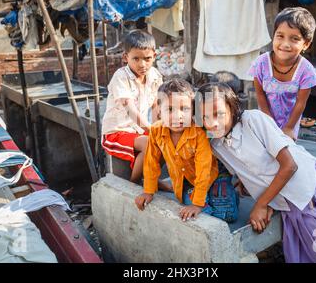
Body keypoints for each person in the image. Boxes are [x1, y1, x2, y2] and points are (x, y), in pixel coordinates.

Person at [196, 82, 316, 263]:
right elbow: (247, 169)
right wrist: (251, 187)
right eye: (204, 117)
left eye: (217, 113)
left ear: (232, 108)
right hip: (293, 206)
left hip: (313, 184)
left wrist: (262, 203)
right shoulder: (217, 145)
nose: (212, 122)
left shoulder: (253, 120)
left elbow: (289, 165)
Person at [135, 79, 238, 222]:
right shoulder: (156, 131)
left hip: (212, 176)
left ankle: (228, 191)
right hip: (186, 182)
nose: (178, 116)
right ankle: (211, 199)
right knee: (202, 213)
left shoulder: (198, 133)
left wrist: (197, 204)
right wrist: (148, 191)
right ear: (159, 111)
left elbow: (204, 168)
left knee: (228, 215)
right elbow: (151, 163)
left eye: (184, 109)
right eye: (170, 109)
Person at [101, 30, 164, 186]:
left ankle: (153, 179)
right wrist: (150, 129)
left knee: (166, 142)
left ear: (154, 57)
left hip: (137, 131)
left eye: (147, 59)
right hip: (116, 132)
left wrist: (159, 128)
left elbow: (157, 106)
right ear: (125, 57)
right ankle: (135, 183)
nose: (142, 64)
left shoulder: (155, 75)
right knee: (150, 143)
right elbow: (130, 109)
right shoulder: (120, 77)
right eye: (136, 59)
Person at [249, 7, 316, 140]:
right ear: (274, 35)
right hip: (265, 117)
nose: (285, 44)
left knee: (286, 152)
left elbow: (300, 103)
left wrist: (289, 128)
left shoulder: (306, 71)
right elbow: (260, 94)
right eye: (280, 36)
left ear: (306, 44)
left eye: (294, 39)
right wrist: (268, 121)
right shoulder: (261, 64)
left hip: (290, 121)